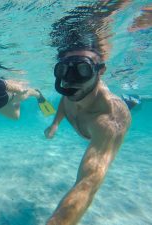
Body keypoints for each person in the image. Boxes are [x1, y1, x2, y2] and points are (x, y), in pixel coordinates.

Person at [44, 48, 131, 225]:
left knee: (130, 103)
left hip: (109, 110)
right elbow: (66, 99)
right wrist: (55, 124)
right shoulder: (75, 90)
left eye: (83, 69)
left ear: (101, 70)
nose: (70, 80)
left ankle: (132, 99)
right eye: (64, 70)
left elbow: (88, 183)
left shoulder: (109, 121)